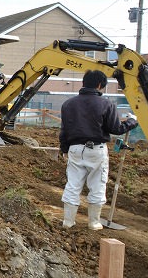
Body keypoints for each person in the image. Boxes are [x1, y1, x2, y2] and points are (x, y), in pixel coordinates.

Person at [59, 70, 138, 230]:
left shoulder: (68, 104)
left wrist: (64, 149)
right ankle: (94, 222)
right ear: (100, 85)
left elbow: (64, 130)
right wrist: (131, 122)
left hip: (75, 148)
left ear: (84, 83)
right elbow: (116, 128)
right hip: (96, 149)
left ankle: (68, 221)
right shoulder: (106, 104)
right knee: (97, 184)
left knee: (73, 184)